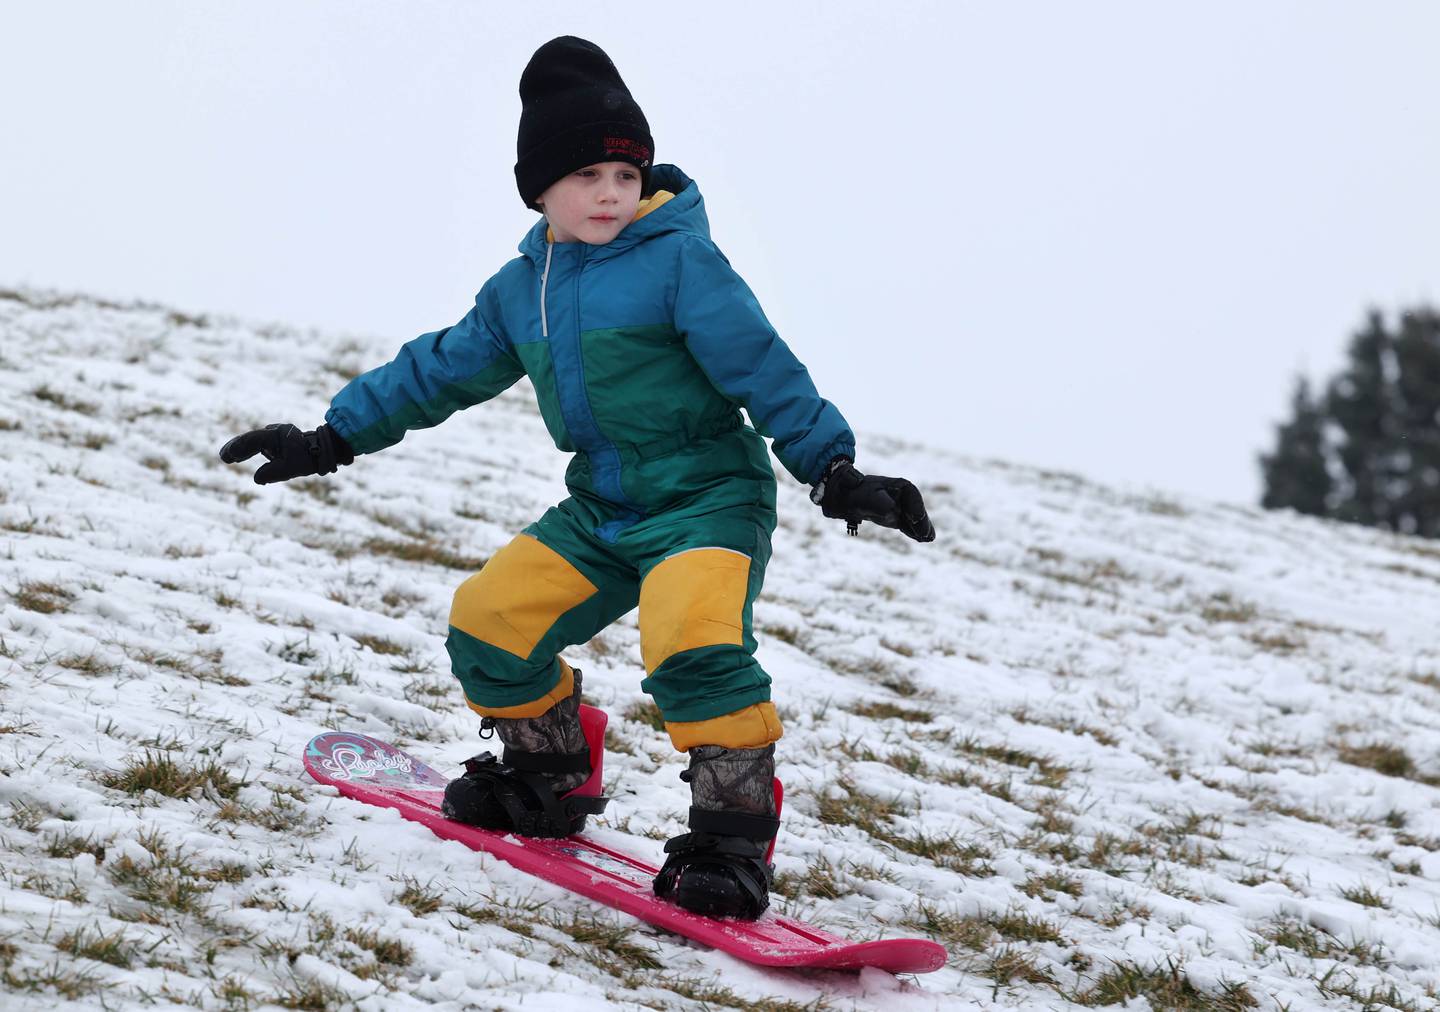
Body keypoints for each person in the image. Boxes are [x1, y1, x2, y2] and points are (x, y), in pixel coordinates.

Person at [220, 36, 935, 920]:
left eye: (626, 177)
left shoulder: (680, 263)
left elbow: (761, 367)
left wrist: (833, 469)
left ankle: (732, 841)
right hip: (603, 508)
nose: (610, 194)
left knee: (693, 649)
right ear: (540, 188)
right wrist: (331, 437)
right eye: (589, 175)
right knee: (488, 623)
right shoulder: (525, 290)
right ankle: (549, 772)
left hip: (708, 504)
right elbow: (437, 370)